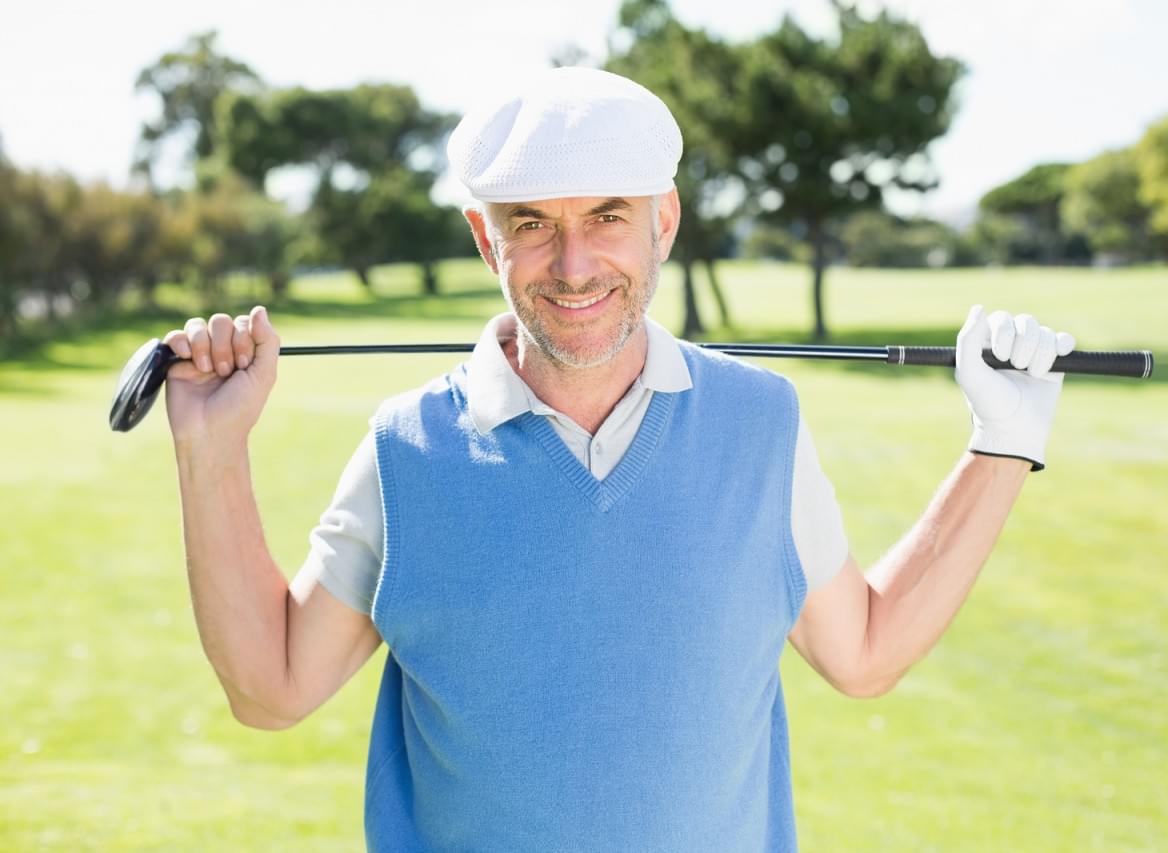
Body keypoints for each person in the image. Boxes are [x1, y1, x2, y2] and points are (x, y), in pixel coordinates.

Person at [160, 67, 1076, 852]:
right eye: (531, 224)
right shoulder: (408, 449)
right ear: (487, 240)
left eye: (607, 215)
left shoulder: (762, 423)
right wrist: (211, 447)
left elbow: (865, 653)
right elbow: (271, 689)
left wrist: (1003, 445)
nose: (574, 263)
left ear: (662, 222)